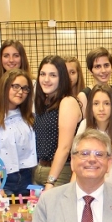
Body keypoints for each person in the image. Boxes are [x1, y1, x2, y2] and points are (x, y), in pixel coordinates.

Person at [0, 69, 37, 196]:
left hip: (27, 177)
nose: (20, 92)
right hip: (3, 179)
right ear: (5, 87)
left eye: (25, 88)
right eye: (15, 86)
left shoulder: (26, 115)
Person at [33, 56, 82, 189]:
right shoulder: (45, 103)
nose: (46, 79)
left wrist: (50, 181)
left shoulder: (67, 102)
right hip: (40, 170)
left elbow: (64, 148)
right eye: (42, 74)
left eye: (53, 75)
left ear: (62, 78)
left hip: (60, 173)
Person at [76, 84, 112, 188]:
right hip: (90, 188)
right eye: (96, 103)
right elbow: (79, 162)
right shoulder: (84, 125)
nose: (101, 108)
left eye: (106, 103)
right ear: (90, 106)